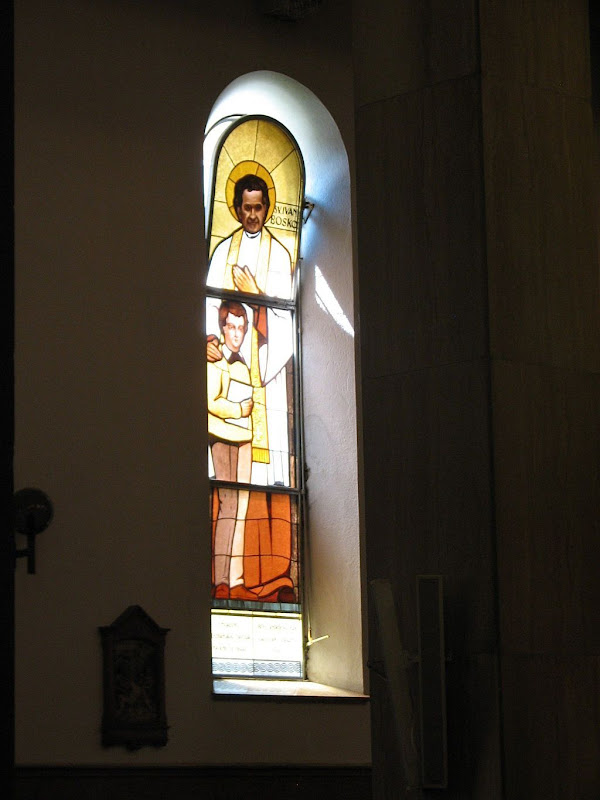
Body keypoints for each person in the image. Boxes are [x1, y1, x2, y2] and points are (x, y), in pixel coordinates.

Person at [206, 173, 293, 487]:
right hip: (226, 369)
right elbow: (209, 309)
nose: (253, 215)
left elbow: (286, 320)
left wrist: (256, 297)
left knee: (267, 472)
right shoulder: (222, 253)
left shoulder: (280, 255)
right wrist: (208, 341)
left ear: (266, 208)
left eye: (258, 208)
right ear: (237, 208)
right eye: (247, 208)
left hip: (265, 370)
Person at [208, 300, 253, 599]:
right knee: (228, 504)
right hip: (222, 436)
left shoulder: (244, 364)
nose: (237, 333)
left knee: (240, 507)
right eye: (232, 327)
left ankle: (235, 579)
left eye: (241, 328)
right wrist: (238, 409)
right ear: (222, 328)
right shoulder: (214, 360)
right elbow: (211, 401)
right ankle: (220, 579)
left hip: (243, 437)